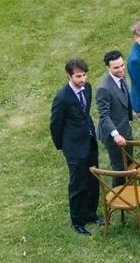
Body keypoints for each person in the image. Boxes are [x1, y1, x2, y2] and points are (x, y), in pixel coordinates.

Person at [49, 59, 100, 235]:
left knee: (93, 180)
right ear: (69, 76)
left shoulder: (88, 89)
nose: (82, 79)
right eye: (78, 76)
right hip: (74, 147)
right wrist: (62, 146)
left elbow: (85, 114)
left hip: (89, 141)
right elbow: (56, 124)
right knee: (78, 185)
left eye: (84, 75)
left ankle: (91, 213)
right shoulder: (62, 97)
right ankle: (78, 221)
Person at [94, 49, 133, 170]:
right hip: (114, 134)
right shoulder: (103, 88)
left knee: (130, 164)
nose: (121, 69)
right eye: (116, 68)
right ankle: (117, 189)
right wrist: (116, 135)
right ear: (108, 68)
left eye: (122, 65)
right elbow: (104, 116)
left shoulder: (121, 76)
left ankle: (132, 188)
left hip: (125, 128)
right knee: (120, 168)